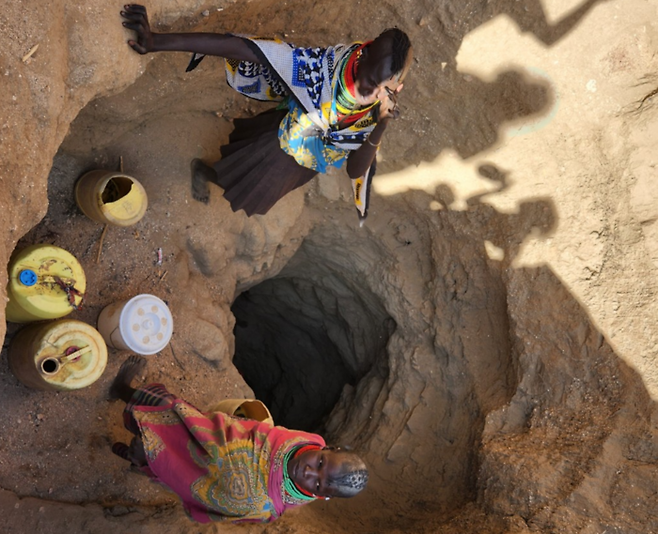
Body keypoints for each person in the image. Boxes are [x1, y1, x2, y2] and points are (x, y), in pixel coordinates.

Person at [120, 4, 413, 221]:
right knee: (244, 182)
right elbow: (249, 50)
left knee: (246, 169)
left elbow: (355, 169)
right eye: (369, 81)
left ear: (396, 87)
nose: (372, 94)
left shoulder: (377, 107)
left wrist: (381, 125)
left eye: (382, 89)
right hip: (281, 144)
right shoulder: (323, 69)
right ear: (362, 53)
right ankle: (205, 171)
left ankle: (212, 171)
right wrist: (157, 41)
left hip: (310, 158)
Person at [109, 355, 369, 524]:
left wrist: (160, 461)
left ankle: (136, 454)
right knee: (172, 411)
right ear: (329, 447)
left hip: (202, 470)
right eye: (321, 463)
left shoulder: (258, 500)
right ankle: (121, 392)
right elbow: (263, 437)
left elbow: (209, 494)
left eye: (318, 485)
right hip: (211, 436)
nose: (310, 471)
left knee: (159, 458)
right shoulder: (311, 440)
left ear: (322, 496)